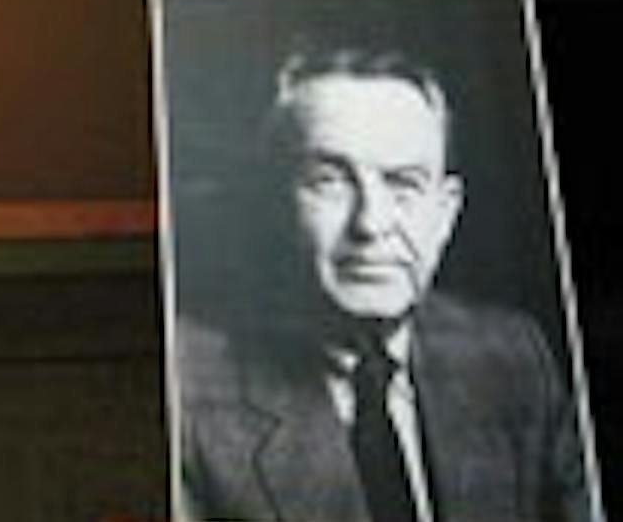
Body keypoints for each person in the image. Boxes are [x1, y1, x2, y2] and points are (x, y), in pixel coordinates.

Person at [175, 45, 597, 522]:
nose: (372, 224)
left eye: (404, 183)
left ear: (445, 215)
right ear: (273, 206)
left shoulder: (512, 355)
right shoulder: (188, 389)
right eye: (328, 180)